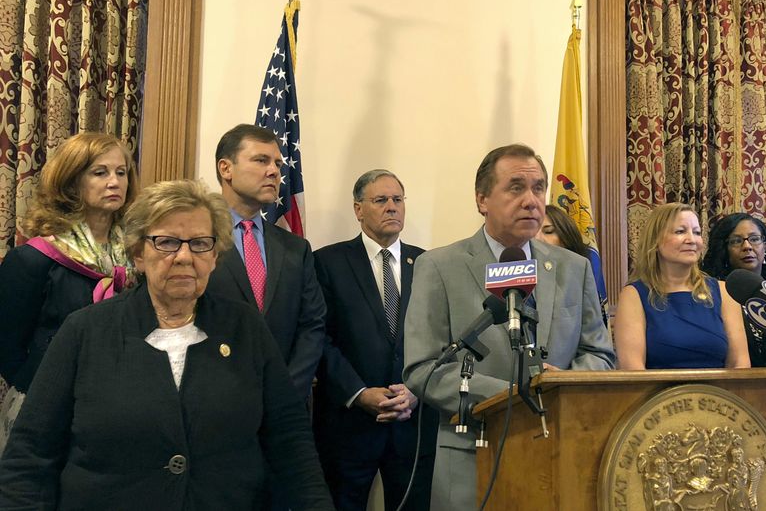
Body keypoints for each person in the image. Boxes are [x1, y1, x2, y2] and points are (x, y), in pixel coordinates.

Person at [0, 180, 333, 509]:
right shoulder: (84, 331)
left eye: (200, 243)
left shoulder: (245, 328)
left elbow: (291, 445)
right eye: (167, 242)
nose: (184, 257)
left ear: (215, 255)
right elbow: (29, 458)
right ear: (138, 254)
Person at [402, 143, 615, 511]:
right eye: (515, 187)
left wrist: (558, 386)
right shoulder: (438, 266)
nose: (532, 200)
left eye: (538, 188)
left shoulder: (572, 267)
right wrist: (515, 395)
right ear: (482, 199)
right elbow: (423, 369)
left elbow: (600, 355)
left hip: (561, 457)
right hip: (473, 457)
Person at [0, 133, 138, 450]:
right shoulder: (35, 258)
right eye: (100, 172)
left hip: (121, 406)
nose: (115, 181)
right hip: (46, 408)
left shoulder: (139, 254)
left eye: (121, 172)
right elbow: (8, 347)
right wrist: (46, 388)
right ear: (72, 181)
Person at [313, 169, 437, 510]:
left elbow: (443, 338)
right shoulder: (327, 262)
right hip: (349, 425)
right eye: (380, 200)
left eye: (398, 199)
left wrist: (416, 390)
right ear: (358, 209)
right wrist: (359, 393)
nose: (392, 207)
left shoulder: (428, 263)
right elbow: (319, 339)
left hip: (413, 424)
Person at [205, 124, 325, 404]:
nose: (274, 171)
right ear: (226, 169)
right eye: (261, 160)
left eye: (278, 163)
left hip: (283, 408)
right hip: (212, 402)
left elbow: (312, 325)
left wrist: (285, 391)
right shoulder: (195, 240)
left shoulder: (296, 248)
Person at [615, 203, 750, 370]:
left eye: (697, 232)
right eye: (680, 231)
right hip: (658, 395)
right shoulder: (634, 294)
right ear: (655, 240)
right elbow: (632, 369)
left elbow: (740, 365)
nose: (691, 240)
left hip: (718, 395)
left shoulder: (724, 291)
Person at [702, 212, 766, 366]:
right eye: (736, 241)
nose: (747, 247)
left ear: (765, 247)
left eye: (754, 239)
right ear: (724, 250)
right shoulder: (713, 296)